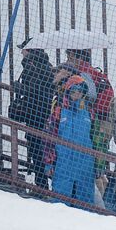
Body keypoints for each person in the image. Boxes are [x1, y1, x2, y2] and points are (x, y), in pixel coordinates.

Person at [45, 74, 97, 206]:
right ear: (68, 91)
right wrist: (49, 162)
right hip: (64, 161)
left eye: (80, 91)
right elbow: (49, 138)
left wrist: (98, 164)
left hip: (85, 162)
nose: (76, 94)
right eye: (73, 91)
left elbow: (96, 139)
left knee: (85, 201)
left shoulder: (89, 112)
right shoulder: (58, 111)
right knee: (60, 200)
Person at [9, 46, 56, 189]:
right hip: (45, 113)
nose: (21, 52)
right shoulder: (46, 66)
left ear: (29, 51)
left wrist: (18, 87)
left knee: (36, 149)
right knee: (43, 149)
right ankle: (44, 185)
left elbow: (35, 91)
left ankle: (41, 187)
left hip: (34, 114)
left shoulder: (32, 66)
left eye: (23, 49)